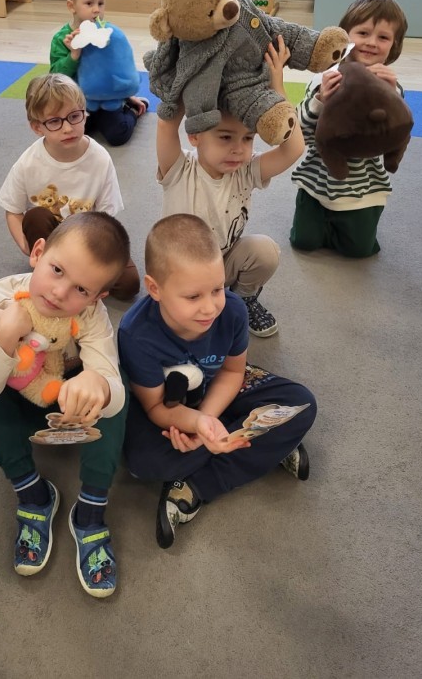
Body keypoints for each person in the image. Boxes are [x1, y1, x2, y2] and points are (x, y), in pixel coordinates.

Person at [117, 214, 317, 550]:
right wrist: (198, 424)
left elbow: (233, 372)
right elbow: (154, 406)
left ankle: (196, 484)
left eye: (216, 289)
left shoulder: (233, 311)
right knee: (143, 462)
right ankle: (265, 445)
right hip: (169, 408)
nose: (210, 307)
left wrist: (207, 421)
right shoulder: (136, 334)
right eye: (193, 297)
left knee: (302, 403)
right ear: (154, 289)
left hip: (219, 389)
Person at [0, 211, 131, 598]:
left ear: (97, 297)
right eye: (57, 270)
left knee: (115, 392)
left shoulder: (92, 316)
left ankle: (90, 511)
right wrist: (5, 338)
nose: (59, 293)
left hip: (71, 410)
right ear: (38, 252)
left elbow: (114, 395)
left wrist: (99, 384)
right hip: (21, 403)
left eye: (81, 289)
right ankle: (34, 494)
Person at [155, 36, 304, 337]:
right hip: (179, 267)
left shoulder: (246, 171)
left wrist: (277, 89)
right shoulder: (179, 169)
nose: (239, 148)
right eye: (225, 137)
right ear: (195, 136)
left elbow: (294, 149)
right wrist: (186, 75)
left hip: (222, 261)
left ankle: (243, 298)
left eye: (247, 138)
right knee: (177, 324)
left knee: (265, 251)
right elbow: (165, 125)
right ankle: (201, 298)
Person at [0, 72, 140, 300]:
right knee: (35, 216)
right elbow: (12, 210)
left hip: (88, 238)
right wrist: (26, 246)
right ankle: (55, 269)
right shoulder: (28, 163)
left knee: (129, 284)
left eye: (74, 116)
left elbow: (106, 218)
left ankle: (70, 273)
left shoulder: (100, 158)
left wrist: (94, 253)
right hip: (52, 239)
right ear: (37, 127)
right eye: (54, 121)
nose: (67, 128)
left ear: (85, 114)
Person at [290, 0, 408, 257]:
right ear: (346, 35)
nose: (371, 43)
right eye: (363, 33)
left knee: (359, 251)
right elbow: (300, 133)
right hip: (317, 181)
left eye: (383, 37)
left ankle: (344, 226)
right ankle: (322, 223)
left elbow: (397, 136)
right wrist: (320, 100)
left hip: (363, 187)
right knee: (303, 242)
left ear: (394, 45)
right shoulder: (325, 79)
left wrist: (391, 97)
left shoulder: (391, 87)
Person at [49, 0, 148, 146]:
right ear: (72, 6)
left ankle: (131, 111)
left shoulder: (107, 34)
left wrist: (127, 96)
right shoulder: (61, 38)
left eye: (101, 3)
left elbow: (117, 70)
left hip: (108, 100)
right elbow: (55, 77)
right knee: (73, 132)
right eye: (89, 3)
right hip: (77, 102)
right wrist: (73, 55)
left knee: (118, 135)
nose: (97, 9)